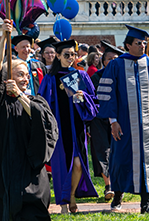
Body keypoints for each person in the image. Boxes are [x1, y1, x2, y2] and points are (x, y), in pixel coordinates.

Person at [0, 19, 58, 220]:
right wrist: (3, 39)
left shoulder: (37, 101)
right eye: (20, 74)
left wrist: (19, 95)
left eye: (27, 74)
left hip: (27, 171)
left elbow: (43, 122)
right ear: (8, 77)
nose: (26, 78)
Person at [96, 25, 149, 214]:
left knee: (148, 161)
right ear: (128, 45)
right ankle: (117, 199)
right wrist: (113, 121)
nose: (142, 46)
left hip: (148, 125)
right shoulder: (116, 65)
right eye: (139, 43)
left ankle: (146, 204)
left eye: (144, 43)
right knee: (120, 160)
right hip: (123, 124)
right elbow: (108, 95)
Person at [38, 39, 98, 213]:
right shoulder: (50, 78)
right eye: (66, 55)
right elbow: (43, 104)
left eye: (73, 54)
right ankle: (63, 204)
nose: (71, 58)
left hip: (78, 127)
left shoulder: (81, 75)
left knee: (78, 165)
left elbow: (93, 101)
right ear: (57, 56)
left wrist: (82, 97)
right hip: (59, 128)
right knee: (61, 166)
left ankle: (71, 195)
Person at [90, 41, 122, 202]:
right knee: (103, 151)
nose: (112, 61)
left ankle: (118, 184)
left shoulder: (122, 76)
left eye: (115, 58)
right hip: (99, 119)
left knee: (117, 151)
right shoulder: (96, 77)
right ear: (103, 61)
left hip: (118, 119)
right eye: (109, 58)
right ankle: (108, 185)